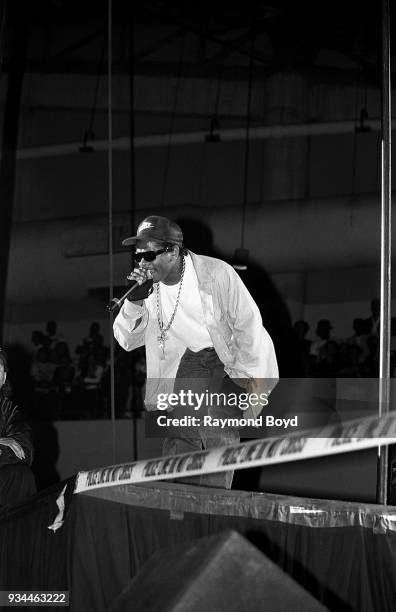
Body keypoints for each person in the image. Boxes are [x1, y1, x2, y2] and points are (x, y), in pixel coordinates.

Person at [113, 216, 278, 488]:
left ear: (174, 251)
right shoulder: (147, 288)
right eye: (139, 254)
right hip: (189, 358)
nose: (143, 261)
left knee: (218, 422)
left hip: (226, 357)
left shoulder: (216, 273)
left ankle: (214, 500)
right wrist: (134, 300)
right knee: (181, 430)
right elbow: (126, 339)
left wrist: (245, 379)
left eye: (150, 253)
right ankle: (179, 502)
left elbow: (248, 327)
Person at [0, 349, 36, 511]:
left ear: (3, 378)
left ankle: (16, 534)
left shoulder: (9, 410)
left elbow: (25, 450)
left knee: (21, 475)